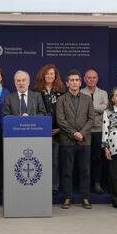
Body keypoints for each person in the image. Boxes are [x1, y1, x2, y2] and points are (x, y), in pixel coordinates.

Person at [56, 70, 95, 209]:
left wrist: (82, 133)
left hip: (85, 141)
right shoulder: (61, 99)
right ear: (67, 83)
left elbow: (92, 118)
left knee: (85, 171)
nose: (74, 82)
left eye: (76, 80)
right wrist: (74, 133)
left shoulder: (88, 98)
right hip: (67, 141)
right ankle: (67, 197)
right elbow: (60, 120)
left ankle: (85, 197)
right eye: (71, 80)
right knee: (67, 171)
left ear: (80, 82)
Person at [34, 64, 64, 196]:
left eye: (52, 74)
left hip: (56, 131)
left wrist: (60, 129)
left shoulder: (61, 92)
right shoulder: (35, 92)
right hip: (40, 131)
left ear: (55, 76)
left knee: (54, 160)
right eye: (47, 73)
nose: (49, 76)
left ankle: (54, 186)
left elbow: (64, 112)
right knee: (40, 159)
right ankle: (40, 183)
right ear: (43, 75)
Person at [81, 69, 108, 194]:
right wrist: (97, 109)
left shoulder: (103, 93)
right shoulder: (80, 92)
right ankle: (84, 184)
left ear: (97, 79)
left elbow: (105, 108)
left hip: (98, 130)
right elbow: (81, 111)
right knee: (84, 158)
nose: (91, 79)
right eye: (89, 77)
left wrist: (89, 107)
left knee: (97, 158)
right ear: (84, 79)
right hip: (84, 130)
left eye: (94, 77)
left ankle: (96, 183)